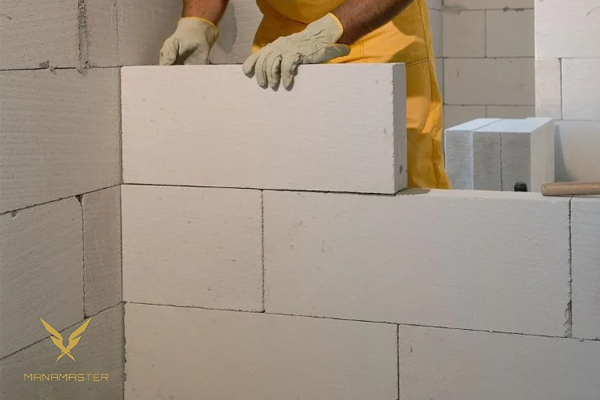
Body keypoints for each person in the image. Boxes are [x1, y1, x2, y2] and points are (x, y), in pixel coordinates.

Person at [160, 0, 450, 189]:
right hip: (282, 39)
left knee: (391, 176)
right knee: (288, 180)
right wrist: (197, 21)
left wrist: (329, 32)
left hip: (374, 27)